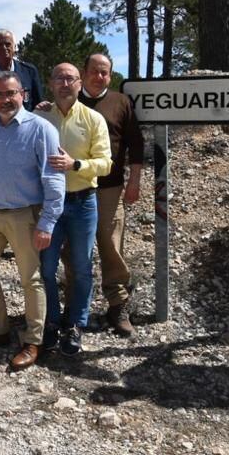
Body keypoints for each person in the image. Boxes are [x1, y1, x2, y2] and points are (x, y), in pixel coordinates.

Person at [0, 71, 64, 371]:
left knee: (30, 279)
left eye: (11, 93)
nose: (5, 99)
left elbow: (54, 178)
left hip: (25, 215)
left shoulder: (41, 129)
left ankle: (33, 341)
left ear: (23, 94)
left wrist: (47, 222)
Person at [35, 63, 111, 355]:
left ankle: (75, 324)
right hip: (48, 206)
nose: (65, 84)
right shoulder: (39, 117)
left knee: (81, 268)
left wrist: (75, 164)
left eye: (70, 79)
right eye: (59, 78)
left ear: (80, 84)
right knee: (47, 267)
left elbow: (106, 164)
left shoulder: (93, 119)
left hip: (83, 203)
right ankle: (52, 322)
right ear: (51, 84)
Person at [77, 53, 144, 336]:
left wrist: (135, 181)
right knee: (75, 249)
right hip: (74, 187)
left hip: (111, 187)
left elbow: (136, 144)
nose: (99, 77)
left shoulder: (121, 102)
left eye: (105, 72)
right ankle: (75, 306)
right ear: (84, 72)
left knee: (111, 244)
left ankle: (118, 305)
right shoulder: (68, 100)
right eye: (95, 71)